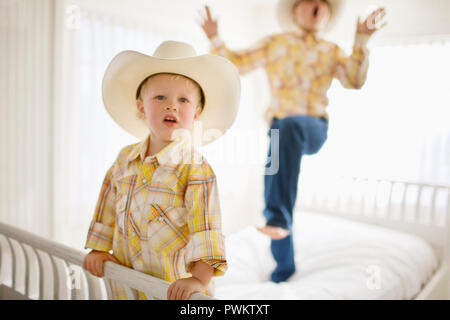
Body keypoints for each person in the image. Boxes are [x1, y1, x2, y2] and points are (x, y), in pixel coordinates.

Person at [200, 0, 386, 283]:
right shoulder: (275, 43)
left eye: (323, 5)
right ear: (294, 11)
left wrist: (361, 40)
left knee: (290, 128)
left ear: (327, 16)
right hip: (278, 133)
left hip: (312, 128)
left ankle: (277, 220)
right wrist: (214, 36)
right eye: (310, 3)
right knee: (273, 186)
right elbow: (236, 64)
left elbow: (354, 80)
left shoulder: (331, 51)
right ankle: (283, 267)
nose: (317, 8)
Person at [82, 40, 241, 299]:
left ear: (196, 113)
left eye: (183, 100)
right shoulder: (124, 160)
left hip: (173, 289)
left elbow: (206, 228)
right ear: (142, 107)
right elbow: (107, 207)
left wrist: (198, 280)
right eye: (160, 97)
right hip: (127, 287)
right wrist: (99, 249)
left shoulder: (196, 169)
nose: (172, 105)